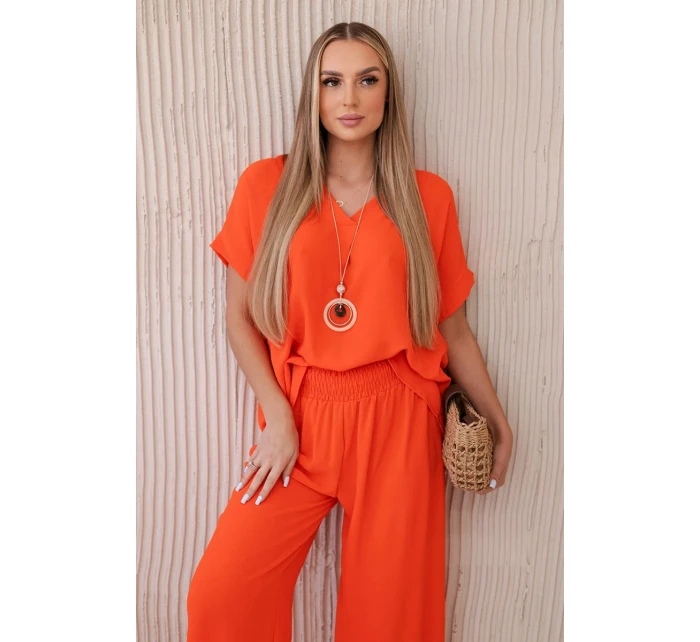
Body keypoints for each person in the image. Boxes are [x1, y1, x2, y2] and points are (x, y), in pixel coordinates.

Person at [186, 21, 513, 642]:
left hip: (398, 421)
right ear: (313, 93)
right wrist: (277, 416)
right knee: (221, 596)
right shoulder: (266, 186)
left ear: (389, 92)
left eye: (367, 80)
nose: (350, 98)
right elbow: (239, 317)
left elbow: (453, 327)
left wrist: (498, 420)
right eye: (332, 82)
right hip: (300, 417)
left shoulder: (428, 198)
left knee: (391, 624)